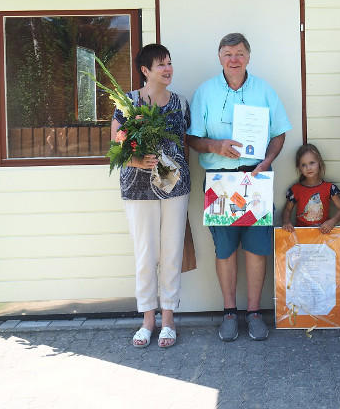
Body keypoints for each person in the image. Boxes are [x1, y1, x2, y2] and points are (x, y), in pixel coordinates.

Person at [187, 33, 292, 342]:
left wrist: (267, 160)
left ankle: (255, 313)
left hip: (256, 179)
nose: (234, 58)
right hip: (219, 181)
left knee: (258, 249)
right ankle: (230, 313)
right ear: (220, 57)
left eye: (240, 53)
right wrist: (215, 145)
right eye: (228, 53)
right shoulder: (204, 92)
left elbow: (280, 132)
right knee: (226, 249)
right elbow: (192, 138)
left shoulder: (264, 90)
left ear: (249, 56)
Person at [111, 44, 192, 349]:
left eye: (170, 63)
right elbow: (116, 148)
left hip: (174, 187)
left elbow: (185, 143)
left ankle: (168, 320)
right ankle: (148, 320)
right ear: (145, 71)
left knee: (171, 253)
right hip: (137, 188)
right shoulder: (128, 103)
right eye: (161, 65)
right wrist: (137, 161)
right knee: (146, 254)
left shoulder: (181, 103)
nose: (167, 69)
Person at [281, 143, 340, 233]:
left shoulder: (329, 188)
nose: (308, 168)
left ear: (319, 162)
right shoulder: (295, 190)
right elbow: (287, 209)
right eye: (303, 165)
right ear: (299, 168)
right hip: (301, 235)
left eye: (312, 163)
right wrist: (286, 222)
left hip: (323, 234)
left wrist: (332, 222)